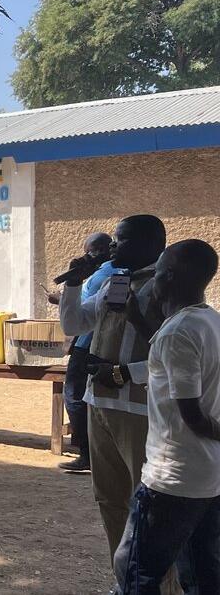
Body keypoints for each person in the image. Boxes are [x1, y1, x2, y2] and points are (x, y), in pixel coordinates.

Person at [59, 215, 169, 579]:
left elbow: (174, 352)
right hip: (99, 405)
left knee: (148, 508)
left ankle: (157, 586)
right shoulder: (113, 282)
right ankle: (123, 581)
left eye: (120, 241)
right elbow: (75, 325)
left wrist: (124, 373)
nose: (112, 247)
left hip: (139, 411)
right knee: (110, 502)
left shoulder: (167, 286)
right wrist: (73, 286)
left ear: (151, 244)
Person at [111, 239, 220, 594]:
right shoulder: (208, 322)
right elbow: (169, 360)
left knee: (134, 568)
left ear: (168, 277)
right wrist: (139, 322)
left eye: (157, 273)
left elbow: (193, 417)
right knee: (202, 572)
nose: (153, 281)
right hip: (208, 478)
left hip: (173, 480)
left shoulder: (178, 333)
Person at [53, 232, 117, 473]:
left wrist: (63, 299)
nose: (85, 256)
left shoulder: (105, 274)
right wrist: (71, 286)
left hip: (88, 345)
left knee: (76, 396)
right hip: (90, 342)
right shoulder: (107, 274)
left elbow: (81, 316)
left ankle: (87, 454)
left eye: (89, 251)